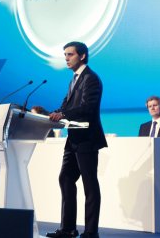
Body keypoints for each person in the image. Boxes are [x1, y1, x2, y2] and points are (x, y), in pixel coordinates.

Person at [47, 42, 107, 238]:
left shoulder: (91, 79)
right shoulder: (74, 79)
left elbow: (88, 108)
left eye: (70, 54)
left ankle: (91, 232)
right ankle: (68, 229)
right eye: (65, 54)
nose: (66, 58)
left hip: (87, 139)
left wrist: (63, 112)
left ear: (82, 56)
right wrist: (54, 113)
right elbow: (67, 104)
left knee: (90, 184)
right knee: (65, 178)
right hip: (73, 138)